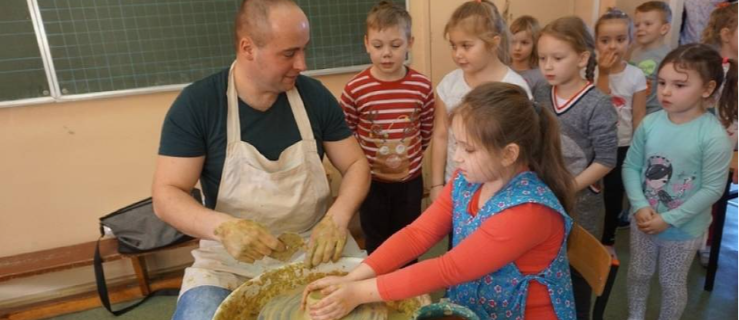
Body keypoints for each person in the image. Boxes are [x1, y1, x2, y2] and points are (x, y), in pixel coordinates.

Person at [151, 1, 370, 319]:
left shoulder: (315, 97)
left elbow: (356, 165)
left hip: (315, 247)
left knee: (381, 305)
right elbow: (166, 195)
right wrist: (225, 228)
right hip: (229, 260)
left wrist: (338, 217)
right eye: (289, 53)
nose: (302, 63)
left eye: (304, 50)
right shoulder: (198, 105)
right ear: (247, 48)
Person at [302, 82, 577, 320]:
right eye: (457, 144)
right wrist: (353, 278)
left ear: (508, 154)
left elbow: (448, 268)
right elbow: (417, 235)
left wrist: (358, 294)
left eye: (468, 149)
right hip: (477, 303)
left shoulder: (528, 212)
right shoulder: (467, 180)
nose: (457, 157)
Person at [623, 43, 738, 320]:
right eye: (662, 82)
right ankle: (634, 316)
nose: (665, 91)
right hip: (644, 222)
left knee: (671, 283)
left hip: (683, 231)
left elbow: (712, 189)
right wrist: (639, 206)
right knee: (638, 273)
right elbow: (631, 166)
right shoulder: (650, 123)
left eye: (679, 85)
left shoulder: (713, 137)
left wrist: (669, 219)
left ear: (707, 89)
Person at [534, 16, 618, 320]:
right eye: (542, 58)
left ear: (582, 57)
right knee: (545, 263)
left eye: (557, 58)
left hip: (582, 206)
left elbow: (607, 159)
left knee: (577, 273)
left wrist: (569, 186)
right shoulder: (541, 94)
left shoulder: (597, 104)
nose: (548, 66)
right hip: (545, 201)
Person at [340, 1, 435, 255]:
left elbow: (426, 131)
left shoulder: (422, 86)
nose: (386, 54)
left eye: (395, 45)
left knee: (409, 240)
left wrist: (410, 161)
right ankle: (377, 288)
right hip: (371, 183)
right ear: (366, 44)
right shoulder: (355, 89)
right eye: (378, 45)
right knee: (376, 241)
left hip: (410, 183)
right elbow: (346, 134)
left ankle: (408, 288)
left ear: (409, 43)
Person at [429, 0, 531, 202]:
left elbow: (521, 148)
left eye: (466, 46)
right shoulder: (449, 85)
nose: (458, 54)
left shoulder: (515, 88)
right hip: (455, 185)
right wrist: (436, 184)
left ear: (494, 42)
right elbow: (440, 135)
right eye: (454, 46)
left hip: (499, 191)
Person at [593, 8, 648, 252]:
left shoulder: (636, 75)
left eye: (620, 39)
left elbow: (638, 114)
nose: (612, 46)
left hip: (623, 144)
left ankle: (608, 238)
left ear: (630, 41)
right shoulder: (592, 71)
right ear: (596, 42)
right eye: (605, 40)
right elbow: (600, 106)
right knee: (591, 191)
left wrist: (638, 147)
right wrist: (603, 73)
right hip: (594, 143)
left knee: (614, 193)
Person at [630, 1, 673, 116]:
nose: (640, 28)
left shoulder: (668, 57)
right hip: (634, 110)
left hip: (655, 114)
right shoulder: (635, 53)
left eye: (648, 24)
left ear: (664, 29)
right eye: (637, 25)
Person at [510, 15, 547, 94]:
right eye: (512, 41)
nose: (517, 48)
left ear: (535, 44)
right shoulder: (502, 69)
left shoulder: (540, 76)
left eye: (524, 43)